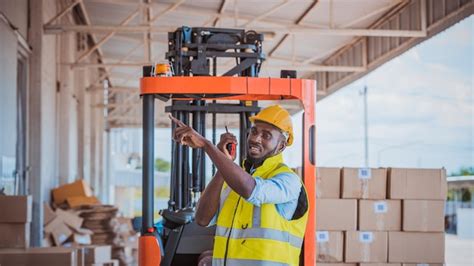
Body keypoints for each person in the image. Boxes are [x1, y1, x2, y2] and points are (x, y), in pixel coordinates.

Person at [170, 105, 309, 266]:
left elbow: (253, 191)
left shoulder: (288, 180)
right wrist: (223, 164)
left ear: (281, 146)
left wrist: (207, 145)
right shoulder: (235, 179)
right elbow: (202, 218)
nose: (256, 138)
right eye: (254, 131)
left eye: (266, 135)